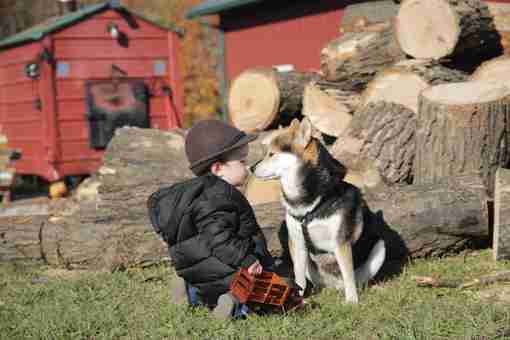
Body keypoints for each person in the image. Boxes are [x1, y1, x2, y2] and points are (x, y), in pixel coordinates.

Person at [147, 119, 274, 319]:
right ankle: (233, 304)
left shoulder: (195, 196)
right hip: (228, 270)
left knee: (207, 286)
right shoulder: (220, 197)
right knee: (266, 292)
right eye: (241, 161)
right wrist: (247, 259)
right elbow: (220, 239)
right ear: (218, 169)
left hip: (197, 271)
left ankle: (189, 291)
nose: (247, 166)